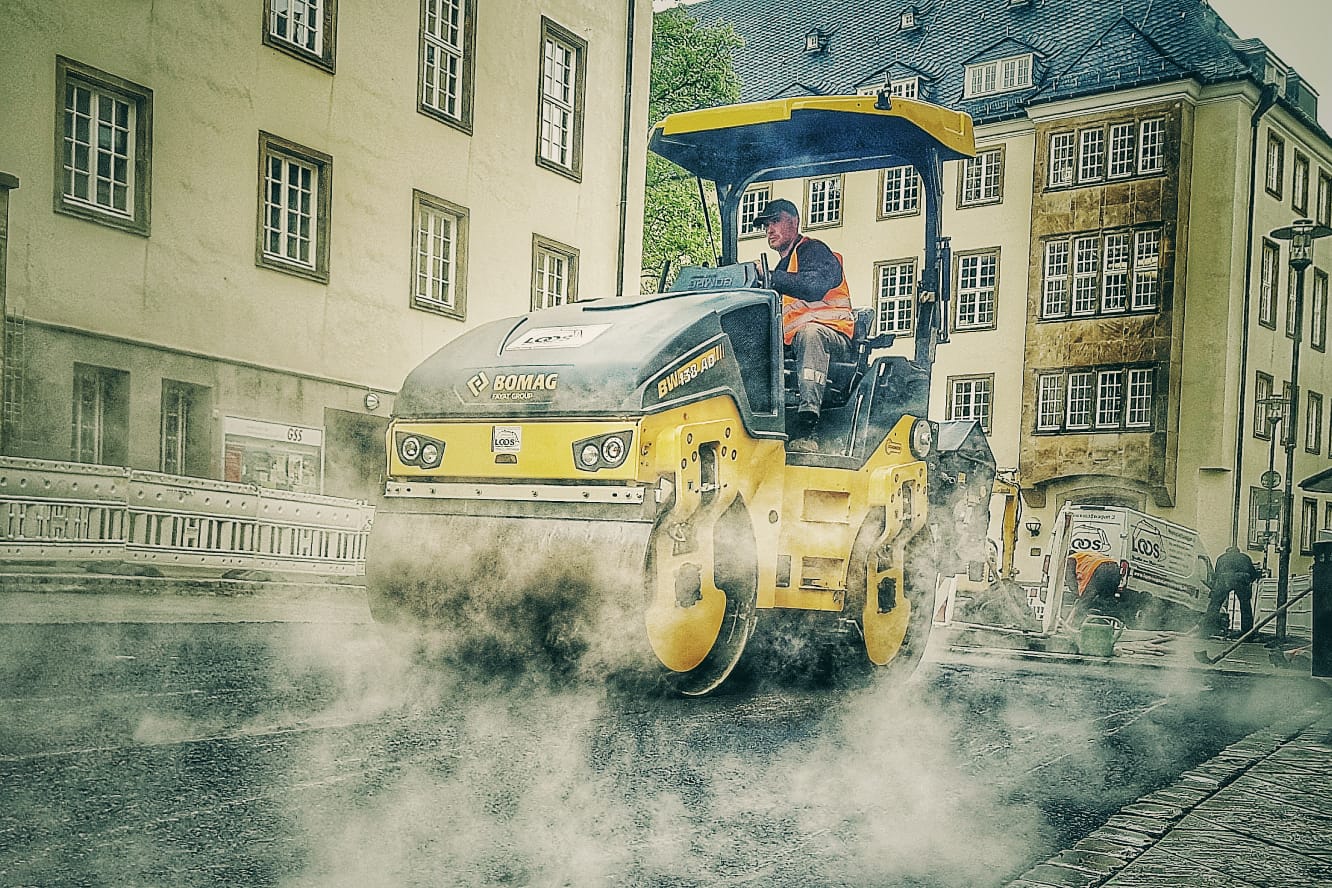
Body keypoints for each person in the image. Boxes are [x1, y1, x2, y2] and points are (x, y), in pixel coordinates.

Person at [752, 198, 855, 453]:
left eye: (775, 221)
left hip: (834, 338)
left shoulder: (815, 251)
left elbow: (814, 285)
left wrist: (771, 278)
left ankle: (809, 422)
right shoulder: (781, 267)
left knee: (811, 333)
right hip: (796, 343)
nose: (769, 230)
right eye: (766, 225)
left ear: (794, 222)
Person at [1208, 545, 1261, 638]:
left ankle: (1207, 629)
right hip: (1241, 578)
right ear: (1238, 551)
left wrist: (1215, 588)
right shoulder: (1245, 557)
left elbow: (1216, 574)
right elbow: (1253, 573)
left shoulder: (1221, 557)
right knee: (1245, 606)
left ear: (1227, 551)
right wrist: (1250, 580)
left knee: (1215, 605)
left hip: (1224, 579)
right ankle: (1247, 632)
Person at [1064, 549, 1124, 626]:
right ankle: (1106, 625)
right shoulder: (1085, 555)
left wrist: (1079, 595)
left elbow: (1071, 580)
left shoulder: (1070, 559)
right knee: (1106, 601)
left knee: (1084, 603)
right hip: (1114, 568)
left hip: (1100, 569)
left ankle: (1076, 626)